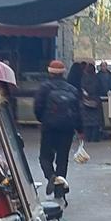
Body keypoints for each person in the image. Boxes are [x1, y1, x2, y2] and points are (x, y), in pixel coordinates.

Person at [33, 59, 81, 191]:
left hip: (49, 128)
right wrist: (80, 129)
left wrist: (43, 120)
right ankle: (60, 190)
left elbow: (37, 107)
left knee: (45, 157)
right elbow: (78, 111)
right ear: (63, 72)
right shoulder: (72, 89)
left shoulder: (44, 88)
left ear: (50, 72)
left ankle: (51, 177)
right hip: (67, 129)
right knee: (62, 159)